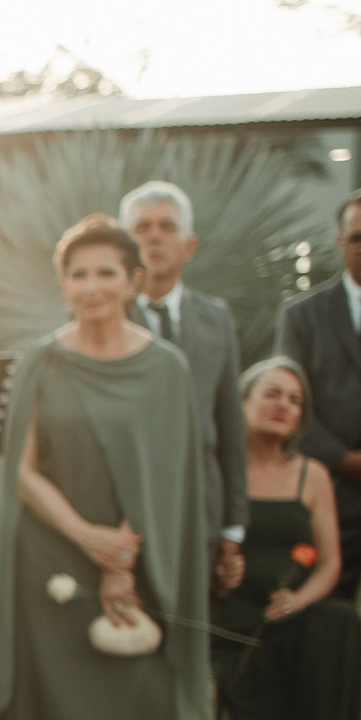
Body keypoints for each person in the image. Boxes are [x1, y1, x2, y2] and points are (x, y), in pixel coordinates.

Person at [0, 217, 208, 720]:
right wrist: (87, 538)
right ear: (63, 284)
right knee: (53, 714)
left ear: (134, 281)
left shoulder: (166, 368)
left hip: (142, 560)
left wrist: (122, 559)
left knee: (128, 711)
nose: (91, 286)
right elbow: (22, 471)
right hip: (52, 557)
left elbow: (169, 477)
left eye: (106, 272)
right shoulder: (41, 362)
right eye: (77, 274)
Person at [212, 358, 361, 720]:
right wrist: (218, 571)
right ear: (242, 403)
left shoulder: (311, 474)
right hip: (232, 609)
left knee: (338, 619)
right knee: (251, 640)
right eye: (272, 394)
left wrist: (300, 599)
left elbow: (330, 562)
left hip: (293, 607)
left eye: (295, 401)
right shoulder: (217, 470)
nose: (284, 406)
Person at [124, 180, 248, 596]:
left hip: (201, 507)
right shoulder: (104, 318)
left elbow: (230, 424)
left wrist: (233, 524)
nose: (154, 236)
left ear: (189, 246)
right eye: (141, 228)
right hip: (127, 510)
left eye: (167, 226)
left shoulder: (217, 318)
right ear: (125, 245)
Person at [275, 188, 361, 598]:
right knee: (327, 619)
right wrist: (344, 460)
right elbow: (287, 404)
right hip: (329, 497)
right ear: (339, 241)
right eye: (358, 238)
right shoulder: (302, 316)